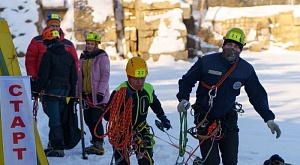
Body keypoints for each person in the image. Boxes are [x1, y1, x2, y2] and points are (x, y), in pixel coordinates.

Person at [176, 27, 281, 165]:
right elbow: (187, 81)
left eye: (236, 46)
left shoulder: (245, 70)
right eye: (229, 44)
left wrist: (269, 118)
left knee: (231, 161)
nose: (232, 48)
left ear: (241, 50)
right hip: (205, 119)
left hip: (228, 120)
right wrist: (183, 99)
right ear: (223, 45)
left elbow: (257, 94)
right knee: (212, 162)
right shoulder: (206, 62)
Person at [103, 56, 172, 165]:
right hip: (121, 130)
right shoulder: (119, 91)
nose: (140, 82)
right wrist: (121, 102)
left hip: (140, 129)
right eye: (136, 79)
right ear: (128, 76)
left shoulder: (148, 89)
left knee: (146, 161)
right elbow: (106, 116)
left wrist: (162, 117)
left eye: (142, 78)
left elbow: (155, 104)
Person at [31, 28, 77, 157]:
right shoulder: (68, 55)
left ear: (46, 41)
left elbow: (43, 77)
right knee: (61, 118)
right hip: (65, 91)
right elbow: (74, 76)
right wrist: (73, 93)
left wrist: (35, 90)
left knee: (55, 119)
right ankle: (59, 143)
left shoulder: (48, 55)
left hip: (52, 91)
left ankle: (57, 147)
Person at [76, 32, 110, 155]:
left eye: (92, 44)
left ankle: (99, 144)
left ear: (96, 45)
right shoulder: (83, 57)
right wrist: (77, 94)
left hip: (98, 95)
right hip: (86, 95)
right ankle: (94, 142)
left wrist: (101, 92)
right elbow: (79, 77)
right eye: (88, 44)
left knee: (96, 120)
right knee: (88, 120)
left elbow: (105, 76)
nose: (89, 46)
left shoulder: (102, 57)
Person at [25, 12, 78, 80]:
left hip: (61, 83)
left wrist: (71, 79)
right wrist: (34, 77)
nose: (55, 28)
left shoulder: (68, 44)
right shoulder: (37, 41)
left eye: (57, 26)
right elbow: (30, 61)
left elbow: (75, 64)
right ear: (47, 26)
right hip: (41, 81)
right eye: (52, 26)